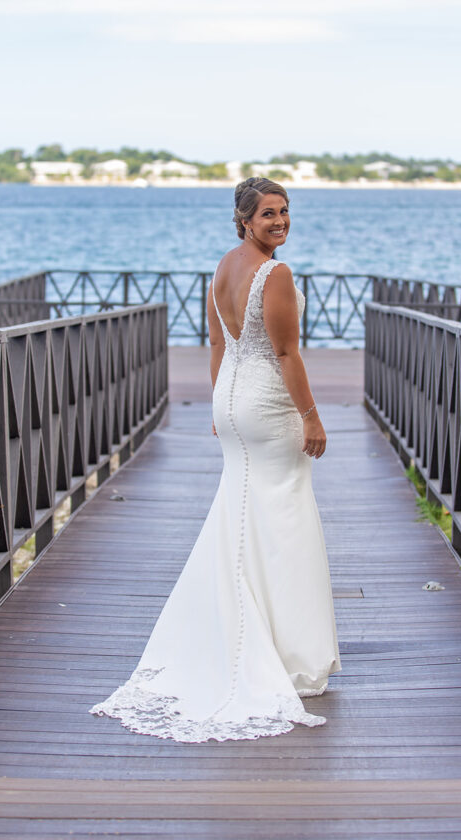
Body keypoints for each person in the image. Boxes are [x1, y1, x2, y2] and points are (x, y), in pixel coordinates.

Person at [89, 177, 341, 742]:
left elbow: (219, 347)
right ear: (244, 220)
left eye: (285, 212)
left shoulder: (222, 268)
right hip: (268, 407)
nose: (280, 222)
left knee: (244, 514)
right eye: (268, 214)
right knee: (284, 522)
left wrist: (218, 404)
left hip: (232, 401)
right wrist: (311, 415)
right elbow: (284, 352)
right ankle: (283, 652)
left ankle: (245, 631)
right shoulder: (274, 274)